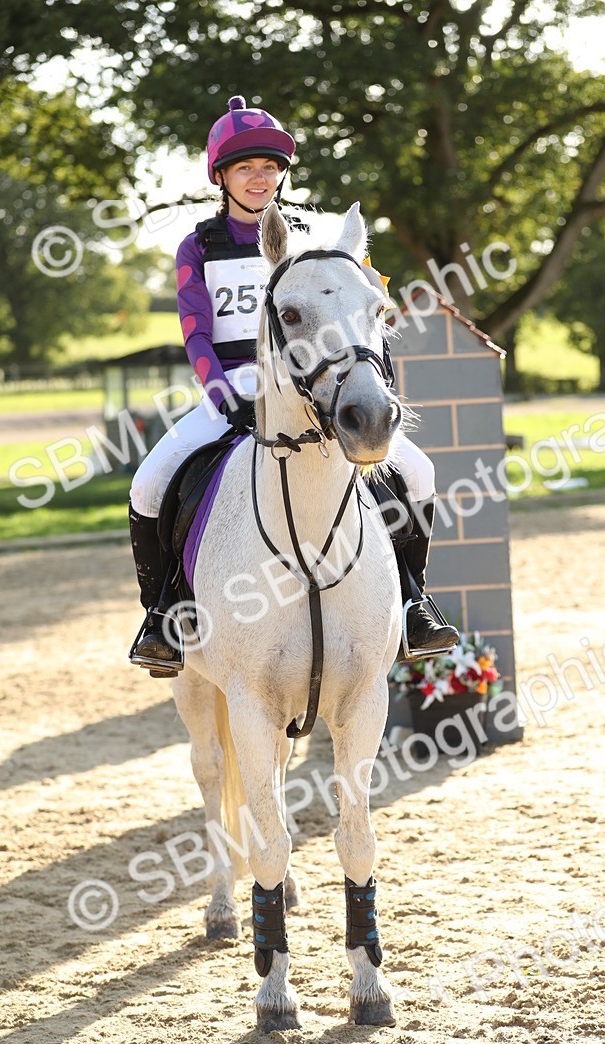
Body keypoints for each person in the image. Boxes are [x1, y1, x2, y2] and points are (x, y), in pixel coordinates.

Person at [128, 95, 458, 676]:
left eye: (270, 168)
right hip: (230, 389)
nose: (261, 178)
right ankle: (163, 617)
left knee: (419, 472)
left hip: (316, 387)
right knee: (151, 482)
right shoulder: (200, 246)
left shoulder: (314, 235)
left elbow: (359, 312)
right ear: (222, 177)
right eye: (246, 169)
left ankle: (411, 600)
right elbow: (195, 332)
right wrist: (222, 396)